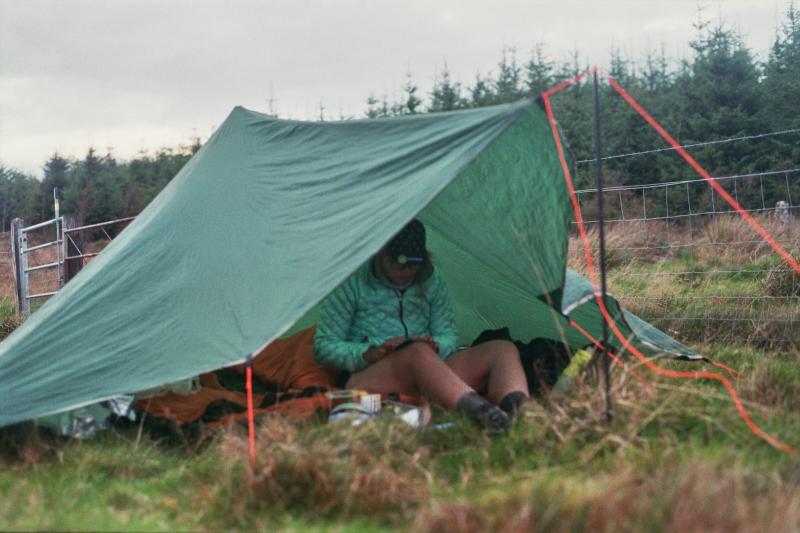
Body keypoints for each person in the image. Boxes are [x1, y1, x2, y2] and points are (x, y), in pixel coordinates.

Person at [313, 218, 529, 431]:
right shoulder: (353, 282)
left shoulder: (431, 279)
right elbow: (323, 345)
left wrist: (436, 345)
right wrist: (369, 352)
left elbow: (449, 335)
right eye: (396, 264)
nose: (405, 271)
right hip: (371, 375)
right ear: (380, 253)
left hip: (429, 371)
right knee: (416, 353)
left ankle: (523, 417)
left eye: (412, 265)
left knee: (502, 349)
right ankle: (485, 416)